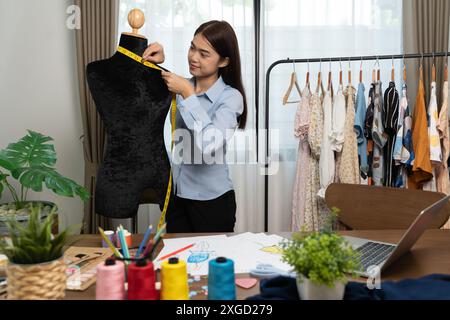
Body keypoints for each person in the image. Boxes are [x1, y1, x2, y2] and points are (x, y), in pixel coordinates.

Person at [142, 20, 247, 233]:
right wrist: (156, 63)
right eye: (192, 48)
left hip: (213, 203)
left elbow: (210, 144)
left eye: (204, 53)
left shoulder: (231, 98)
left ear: (224, 61)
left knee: (211, 265)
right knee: (178, 265)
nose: (193, 57)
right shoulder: (181, 87)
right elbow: (137, 87)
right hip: (177, 198)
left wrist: (188, 94)